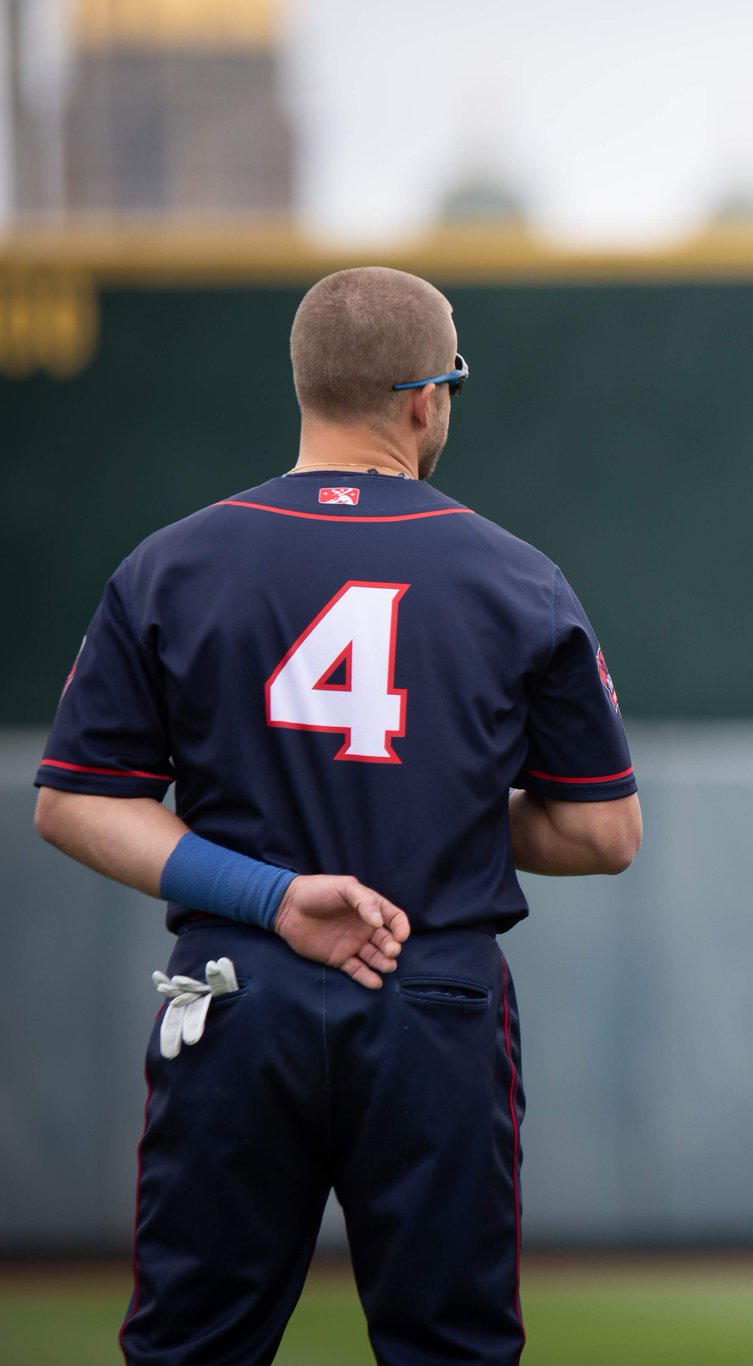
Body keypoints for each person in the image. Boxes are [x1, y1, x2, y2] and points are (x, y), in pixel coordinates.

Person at [34, 266, 642, 1365]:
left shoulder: (169, 564)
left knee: (191, 1348)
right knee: (449, 1348)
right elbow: (603, 833)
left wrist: (269, 895)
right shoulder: (518, 578)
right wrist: (446, 804)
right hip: (430, 993)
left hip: (234, 992)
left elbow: (76, 800)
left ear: (305, 384)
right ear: (424, 399)